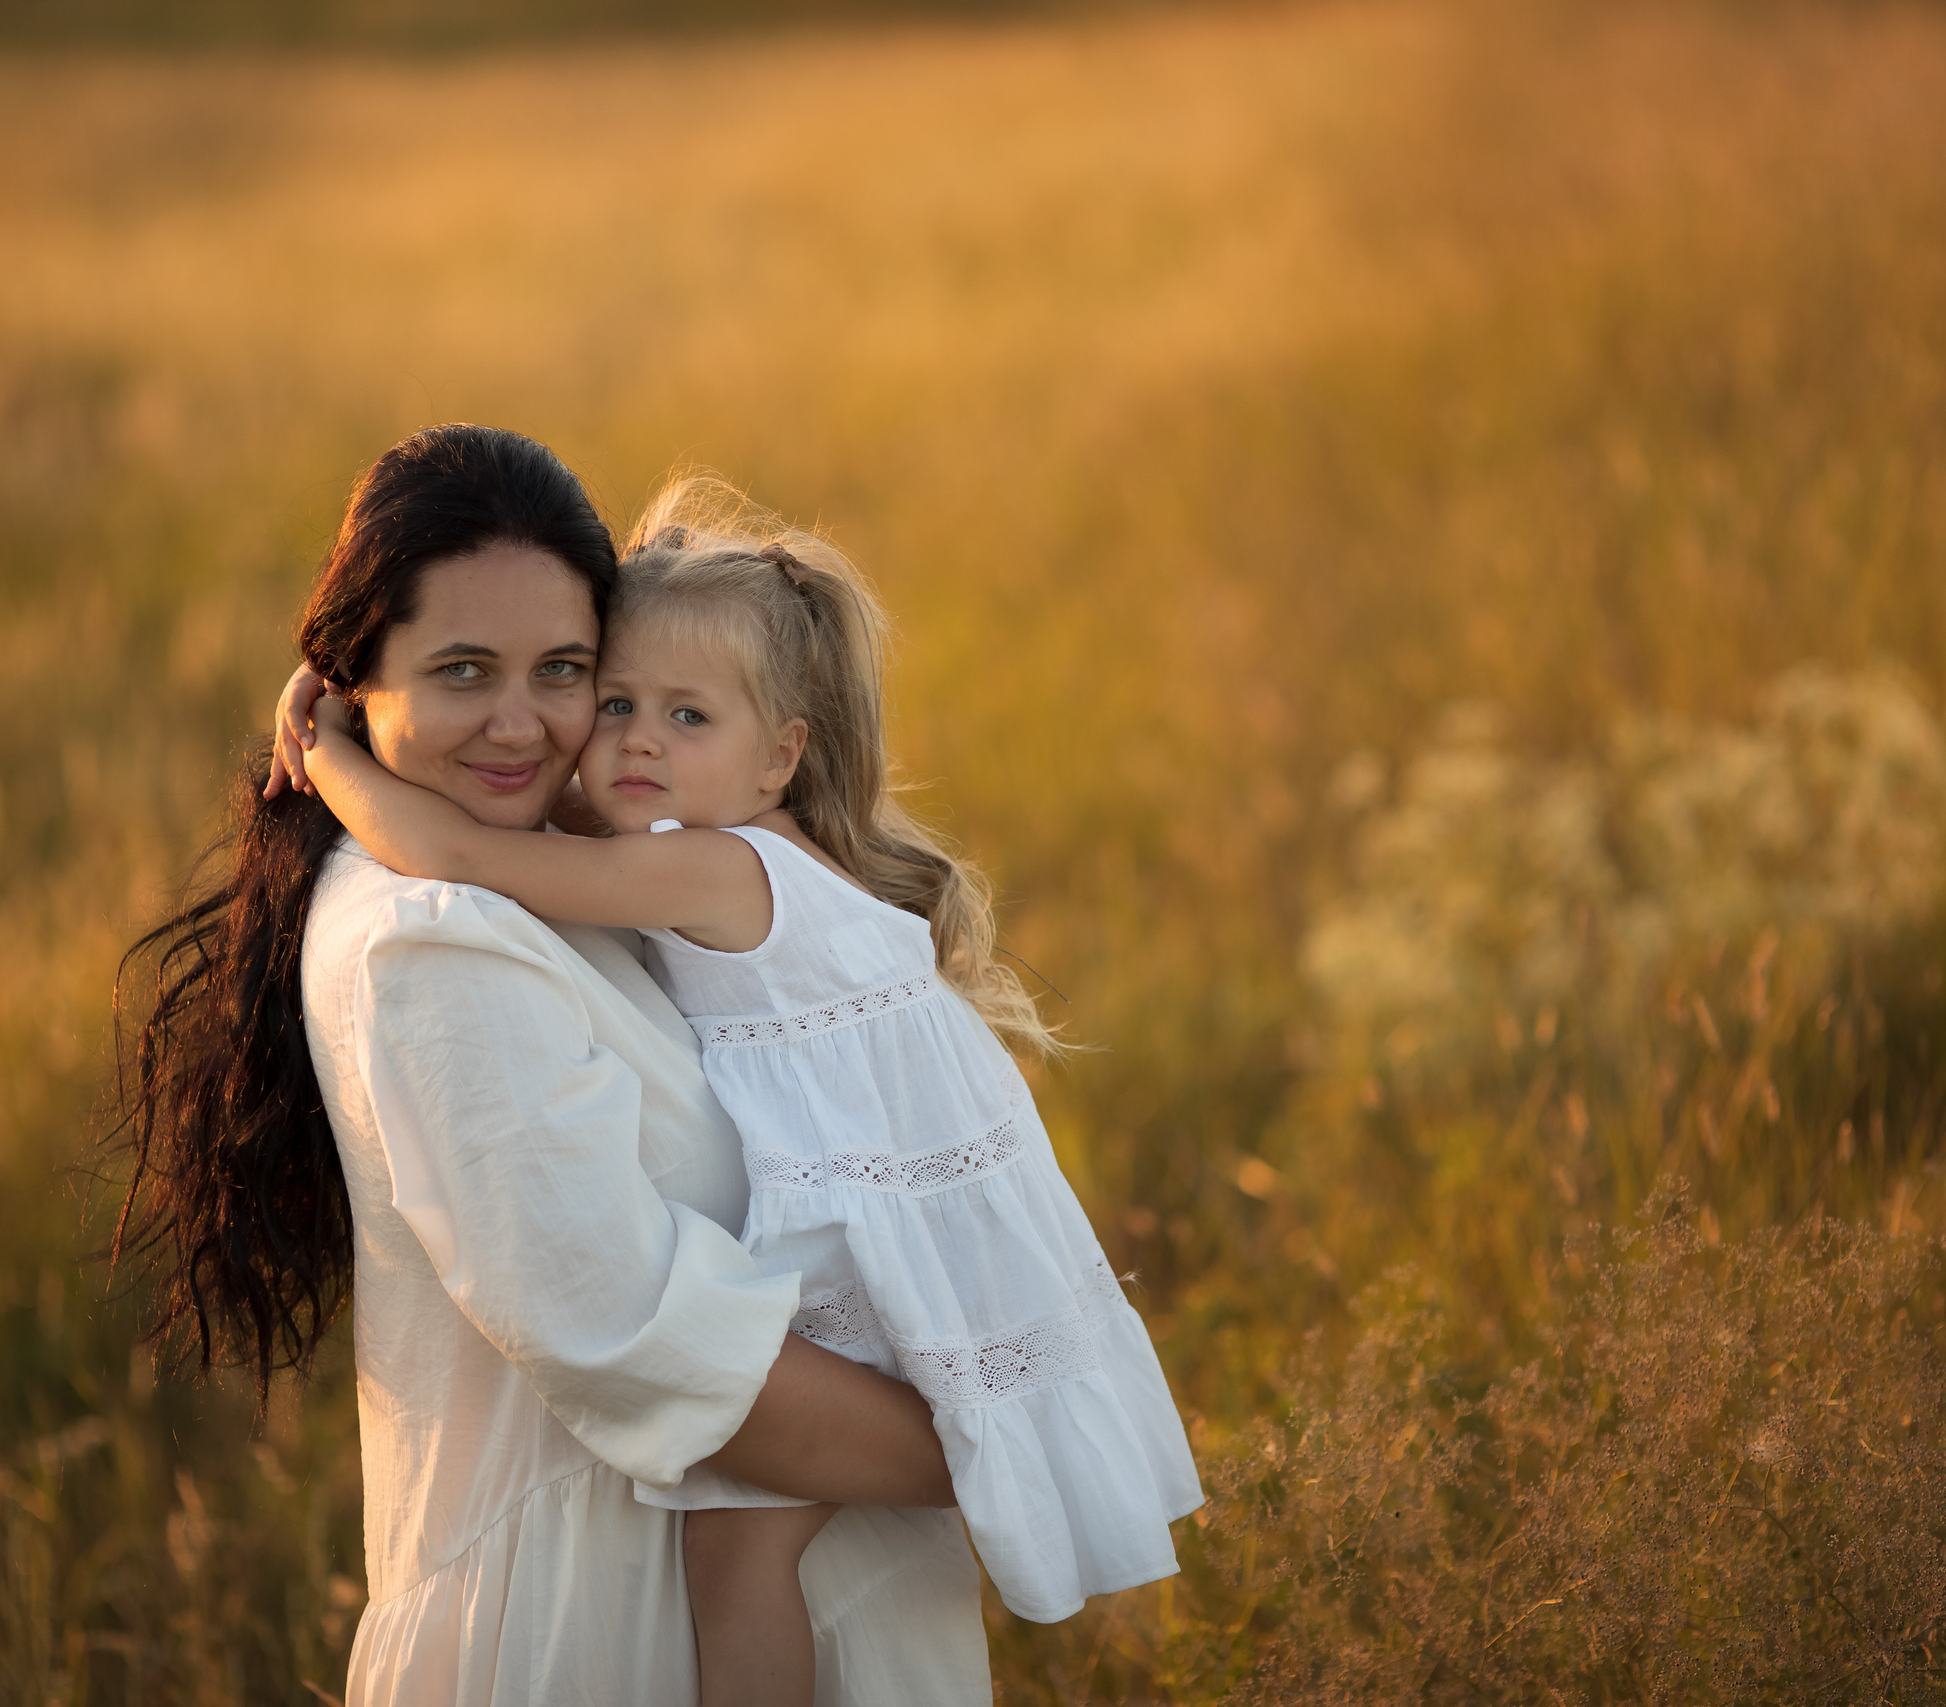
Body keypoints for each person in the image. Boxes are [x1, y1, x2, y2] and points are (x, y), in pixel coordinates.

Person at [271, 476, 1202, 1707]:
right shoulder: (465, 929)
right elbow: (477, 853)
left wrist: (330, 752)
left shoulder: (701, 866)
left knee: (741, 1555)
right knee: (741, 1555)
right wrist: (350, 704)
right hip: (622, 1556)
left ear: (780, 754)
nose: (621, 742)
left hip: (865, 1257)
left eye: (566, 675)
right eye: (615, 702)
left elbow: (465, 846)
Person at [113, 425, 994, 1707]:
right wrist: (987, 1438)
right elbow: (640, 1336)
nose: (521, 724)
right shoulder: (430, 942)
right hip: (599, 1632)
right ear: (359, 677)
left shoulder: (554, 858)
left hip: (728, 1585)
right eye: (461, 671)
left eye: (565, 671)